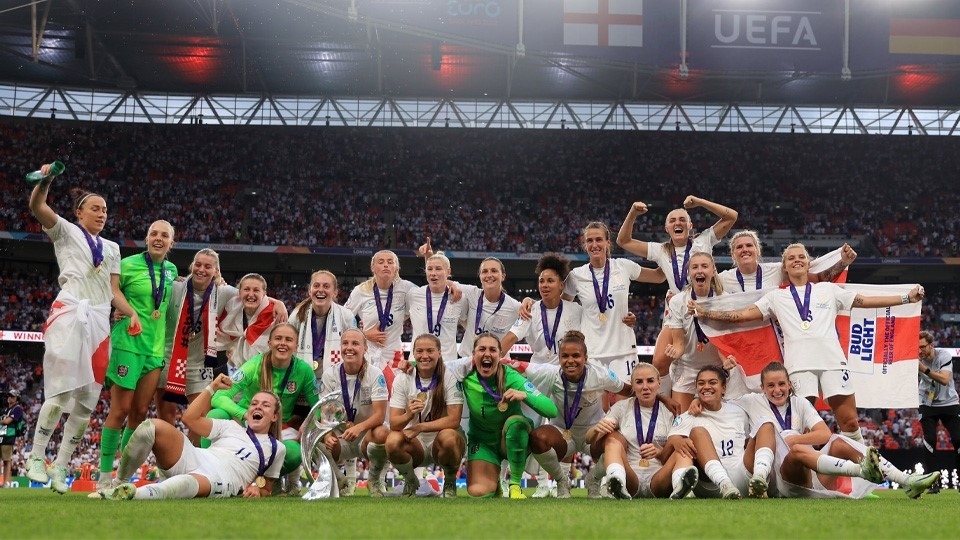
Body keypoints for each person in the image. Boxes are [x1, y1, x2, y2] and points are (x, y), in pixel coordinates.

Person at [689, 243, 925, 444]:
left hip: (833, 362)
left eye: (801, 256)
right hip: (799, 366)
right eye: (791, 258)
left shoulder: (828, 290)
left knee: (850, 422)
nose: (797, 260)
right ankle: (807, 479)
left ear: (809, 263)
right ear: (785, 267)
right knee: (801, 425)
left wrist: (906, 298)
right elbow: (742, 315)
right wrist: (706, 313)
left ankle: (860, 479)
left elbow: (865, 301)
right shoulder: (775, 297)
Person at [24, 164, 122, 494]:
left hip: (99, 322)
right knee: (62, 390)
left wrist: (132, 314)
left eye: (105, 209)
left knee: (86, 401)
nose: (102, 213)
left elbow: (113, 291)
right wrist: (46, 181)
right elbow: (37, 206)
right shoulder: (65, 230)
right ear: (79, 212)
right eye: (95, 208)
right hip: (70, 311)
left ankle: (62, 465)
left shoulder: (112, 248)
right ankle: (36, 456)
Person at [716, 361, 938, 499]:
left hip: (812, 472)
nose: (777, 390)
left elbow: (823, 434)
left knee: (839, 441)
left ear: (789, 384)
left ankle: (907, 482)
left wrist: (792, 438)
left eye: (782, 384)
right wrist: (698, 402)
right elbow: (719, 400)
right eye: (771, 386)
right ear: (762, 388)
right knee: (796, 451)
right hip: (784, 479)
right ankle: (862, 470)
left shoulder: (800, 403)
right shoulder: (751, 401)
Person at [101, 373, 285, 500]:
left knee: (187, 482)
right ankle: (119, 482)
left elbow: (266, 488)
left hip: (222, 478)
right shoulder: (230, 427)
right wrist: (212, 387)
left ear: (274, 416)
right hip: (198, 456)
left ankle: (133, 493)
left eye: (265, 405)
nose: (258, 407)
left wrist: (256, 489)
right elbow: (190, 419)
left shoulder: (277, 447)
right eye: (254, 403)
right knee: (152, 426)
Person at [616, 197, 738, 385]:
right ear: (666, 229)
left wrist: (699, 202)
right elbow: (623, 241)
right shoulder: (661, 250)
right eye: (672, 220)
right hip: (677, 310)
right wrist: (633, 213)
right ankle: (668, 403)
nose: (677, 223)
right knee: (659, 361)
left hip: (706, 305)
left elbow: (731, 217)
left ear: (690, 225)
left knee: (717, 359)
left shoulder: (703, 240)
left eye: (682, 219)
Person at [98, 220, 178, 492]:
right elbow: (112, 290)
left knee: (140, 412)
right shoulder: (127, 263)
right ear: (146, 238)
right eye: (154, 233)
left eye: (164, 235)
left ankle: (122, 477)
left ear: (171, 242)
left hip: (154, 351)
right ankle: (104, 477)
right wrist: (127, 311)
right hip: (128, 343)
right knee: (119, 410)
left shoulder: (171, 269)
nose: (158, 238)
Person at [209, 323, 318, 495]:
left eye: (289, 340)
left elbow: (317, 406)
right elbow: (218, 397)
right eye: (278, 338)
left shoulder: (304, 371)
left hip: (278, 428)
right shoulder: (253, 366)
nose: (283, 343)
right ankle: (212, 474)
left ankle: (265, 483)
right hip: (247, 426)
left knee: (294, 453)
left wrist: (308, 422)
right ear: (269, 343)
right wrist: (243, 414)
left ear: (296, 346)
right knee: (215, 415)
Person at [524, 331, 630, 498]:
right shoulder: (550, 373)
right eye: (565, 356)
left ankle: (593, 479)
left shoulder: (600, 374)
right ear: (559, 358)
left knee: (618, 441)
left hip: (594, 433)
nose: (570, 360)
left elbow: (629, 390)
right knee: (538, 438)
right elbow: (516, 366)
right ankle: (561, 481)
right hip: (562, 433)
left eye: (576, 355)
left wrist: (661, 398)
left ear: (585, 358)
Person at [560, 222, 666, 383]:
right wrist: (529, 303)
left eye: (599, 240)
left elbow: (659, 276)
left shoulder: (623, 266)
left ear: (608, 242)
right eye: (589, 241)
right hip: (593, 351)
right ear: (585, 245)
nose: (594, 245)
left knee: (624, 404)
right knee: (597, 406)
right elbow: (561, 305)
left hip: (623, 349)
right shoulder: (576, 276)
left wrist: (670, 252)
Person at [462, 333, 558, 499]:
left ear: (500, 355)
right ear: (473, 354)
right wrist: (410, 364)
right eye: (482, 349)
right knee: (478, 493)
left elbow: (552, 411)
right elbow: (433, 365)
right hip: (483, 443)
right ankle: (495, 482)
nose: (487, 354)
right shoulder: (464, 375)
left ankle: (515, 484)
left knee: (516, 423)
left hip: (510, 439)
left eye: (492, 350)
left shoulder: (511, 376)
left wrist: (525, 396)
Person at [587, 363, 698, 500]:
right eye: (639, 382)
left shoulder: (670, 411)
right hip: (630, 477)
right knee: (612, 440)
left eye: (650, 381)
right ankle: (617, 481)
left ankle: (679, 486)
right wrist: (596, 429)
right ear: (632, 386)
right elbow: (589, 440)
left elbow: (671, 450)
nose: (645, 387)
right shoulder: (621, 408)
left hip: (658, 479)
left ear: (659, 383)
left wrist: (658, 452)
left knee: (683, 448)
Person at [668, 366, 776, 499]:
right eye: (701, 383)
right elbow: (668, 452)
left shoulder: (739, 411)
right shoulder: (688, 416)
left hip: (743, 475)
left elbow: (747, 441)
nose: (706, 387)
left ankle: (760, 477)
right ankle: (724, 483)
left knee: (766, 424)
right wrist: (677, 441)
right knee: (697, 432)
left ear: (723, 388)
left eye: (712, 382)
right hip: (712, 483)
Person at [386, 334, 465, 497]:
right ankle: (410, 480)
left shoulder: (450, 377)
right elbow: (394, 423)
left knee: (450, 437)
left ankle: (449, 482)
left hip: (440, 441)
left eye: (430, 351)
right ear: (413, 354)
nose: (425, 356)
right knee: (392, 440)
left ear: (439, 353)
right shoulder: (402, 378)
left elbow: (454, 420)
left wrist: (420, 427)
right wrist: (409, 414)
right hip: (415, 444)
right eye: (420, 351)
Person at [318, 328, 390, 497]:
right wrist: (327, 436)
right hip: (341, 438)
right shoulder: (330, 375)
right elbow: (323, 414)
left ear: (365, 348)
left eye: (355, 343)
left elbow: (380, 415)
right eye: (345, 343)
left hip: (366, 437)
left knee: (382, 433)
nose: (349, 347)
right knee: (313, 440)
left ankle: (373, 480)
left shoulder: (374, 374)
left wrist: (358, 428)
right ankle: (339, 480)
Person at [663, 253, 735, 410]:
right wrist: (674, 352)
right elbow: (679, 343)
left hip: (716, 367)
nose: (699, 270)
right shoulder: (677, 301)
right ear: (689, 272)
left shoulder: (725, 300)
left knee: (715, 417)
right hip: (686, 367)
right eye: (694, 267)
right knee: (681, 418)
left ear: (713, 270)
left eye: (704, 266)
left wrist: (725, 361)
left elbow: (723, 341)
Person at [502, 254, 583, 365]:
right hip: (538, 375)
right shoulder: (530, 311)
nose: (544, 285)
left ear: (561, 285)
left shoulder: (576, 310)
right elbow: (510, 338)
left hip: (567, 373)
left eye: (550, 281)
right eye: (541, 281)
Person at [718, 230, 856, 293]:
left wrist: (843, 263)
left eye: (749, 245)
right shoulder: (722, 279)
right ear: (733, 255)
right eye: (739, 247)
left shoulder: (778, 269)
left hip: (773, 338)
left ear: (758, 251)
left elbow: (819, 278)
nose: (744, 249)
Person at [289, 270, 357, 378]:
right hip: (303, 380)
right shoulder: (297, 316)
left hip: (335, 379)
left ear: (335, 292)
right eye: (316, 286)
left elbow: (355, 348)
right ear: (310, 291)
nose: (320, 290)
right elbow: (289, 349)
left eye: (326, 286)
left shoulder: (346, 316)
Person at [918, 330, 960, 493]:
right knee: (929, 441)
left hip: (949, 402)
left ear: (931, 345)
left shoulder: (943, 356)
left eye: (922, 347)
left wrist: (923, 369)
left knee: (958, 440)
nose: (920, 351)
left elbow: (944, 379)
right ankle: (933, 484)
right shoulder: (915, 358)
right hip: (927, 402)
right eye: (918, 348)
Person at [216, 273, 287, 369]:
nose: (251, 294)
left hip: (265, 372)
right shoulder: (230, 306)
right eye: (246, 289)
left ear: (264, 293)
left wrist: (279, 303)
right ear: (239, 292)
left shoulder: (275, 316)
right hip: (233, 371)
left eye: (256, 290)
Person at [406, 252, 467, 361]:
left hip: (447, 365)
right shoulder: (413, 295)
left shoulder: (459, 298)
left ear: (448, 272)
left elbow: (469, 326)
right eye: (429, 269)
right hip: (418, 363)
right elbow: (398, 317)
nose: (433, 273)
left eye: (438, 269)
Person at [1, 390, 26, 487]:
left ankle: (6, 482)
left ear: (17, 399)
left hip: (8, 436)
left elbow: (7, 421)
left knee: (6, 460)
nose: (10, 398)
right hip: (1, 435)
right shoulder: (5, 409)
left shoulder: (17, 409)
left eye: (12, 396)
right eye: (9, 396)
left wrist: (2, 420)